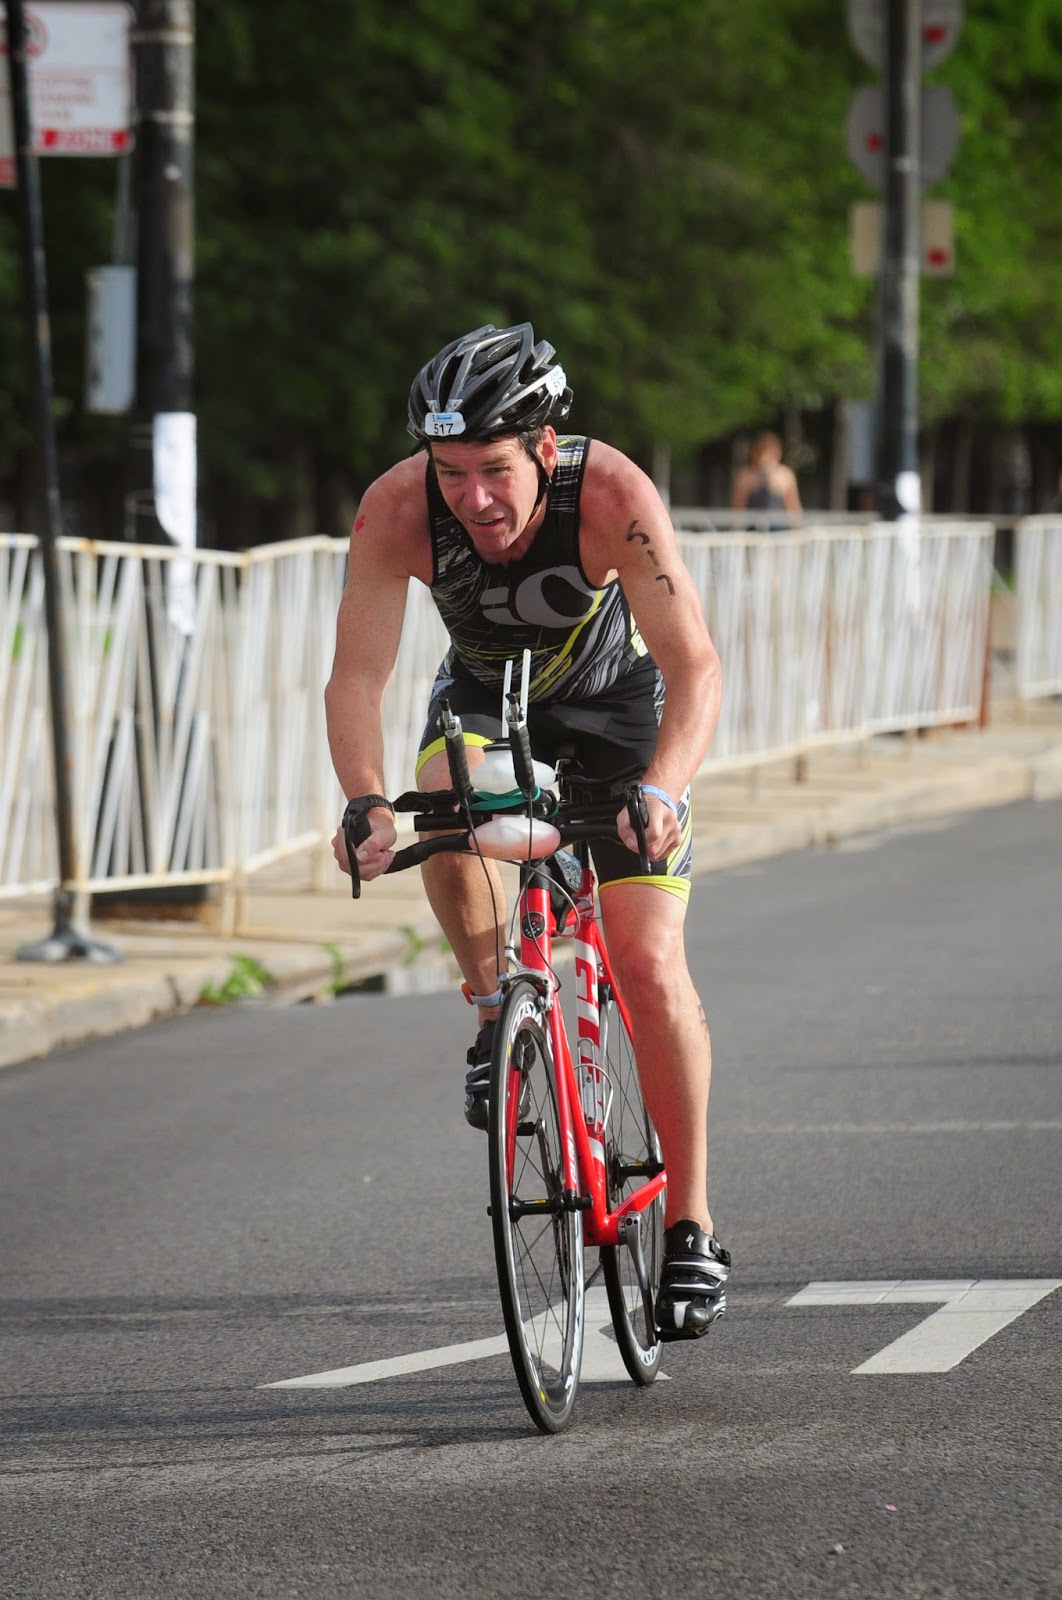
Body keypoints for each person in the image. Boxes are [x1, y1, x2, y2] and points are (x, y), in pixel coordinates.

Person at [325, 323, 729, 1339]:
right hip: (486, 705)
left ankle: (690, 1221)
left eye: (494, 470)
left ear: (545, 448)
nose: (474, 498)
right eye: (451, 472)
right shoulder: (394, 509)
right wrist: (364, 800)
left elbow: (695, 665)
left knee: (647, 961)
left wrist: (665, 789)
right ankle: (489, 1011)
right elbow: (356, 679)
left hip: (616, 719)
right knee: (439, 799)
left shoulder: (611, 494)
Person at [730, 430, 802, 527]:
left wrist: (796, 529)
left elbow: (793, 507)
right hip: (752, 528)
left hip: (777, 528)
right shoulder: (746, 476)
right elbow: (737, 508)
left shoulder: (785, 475)